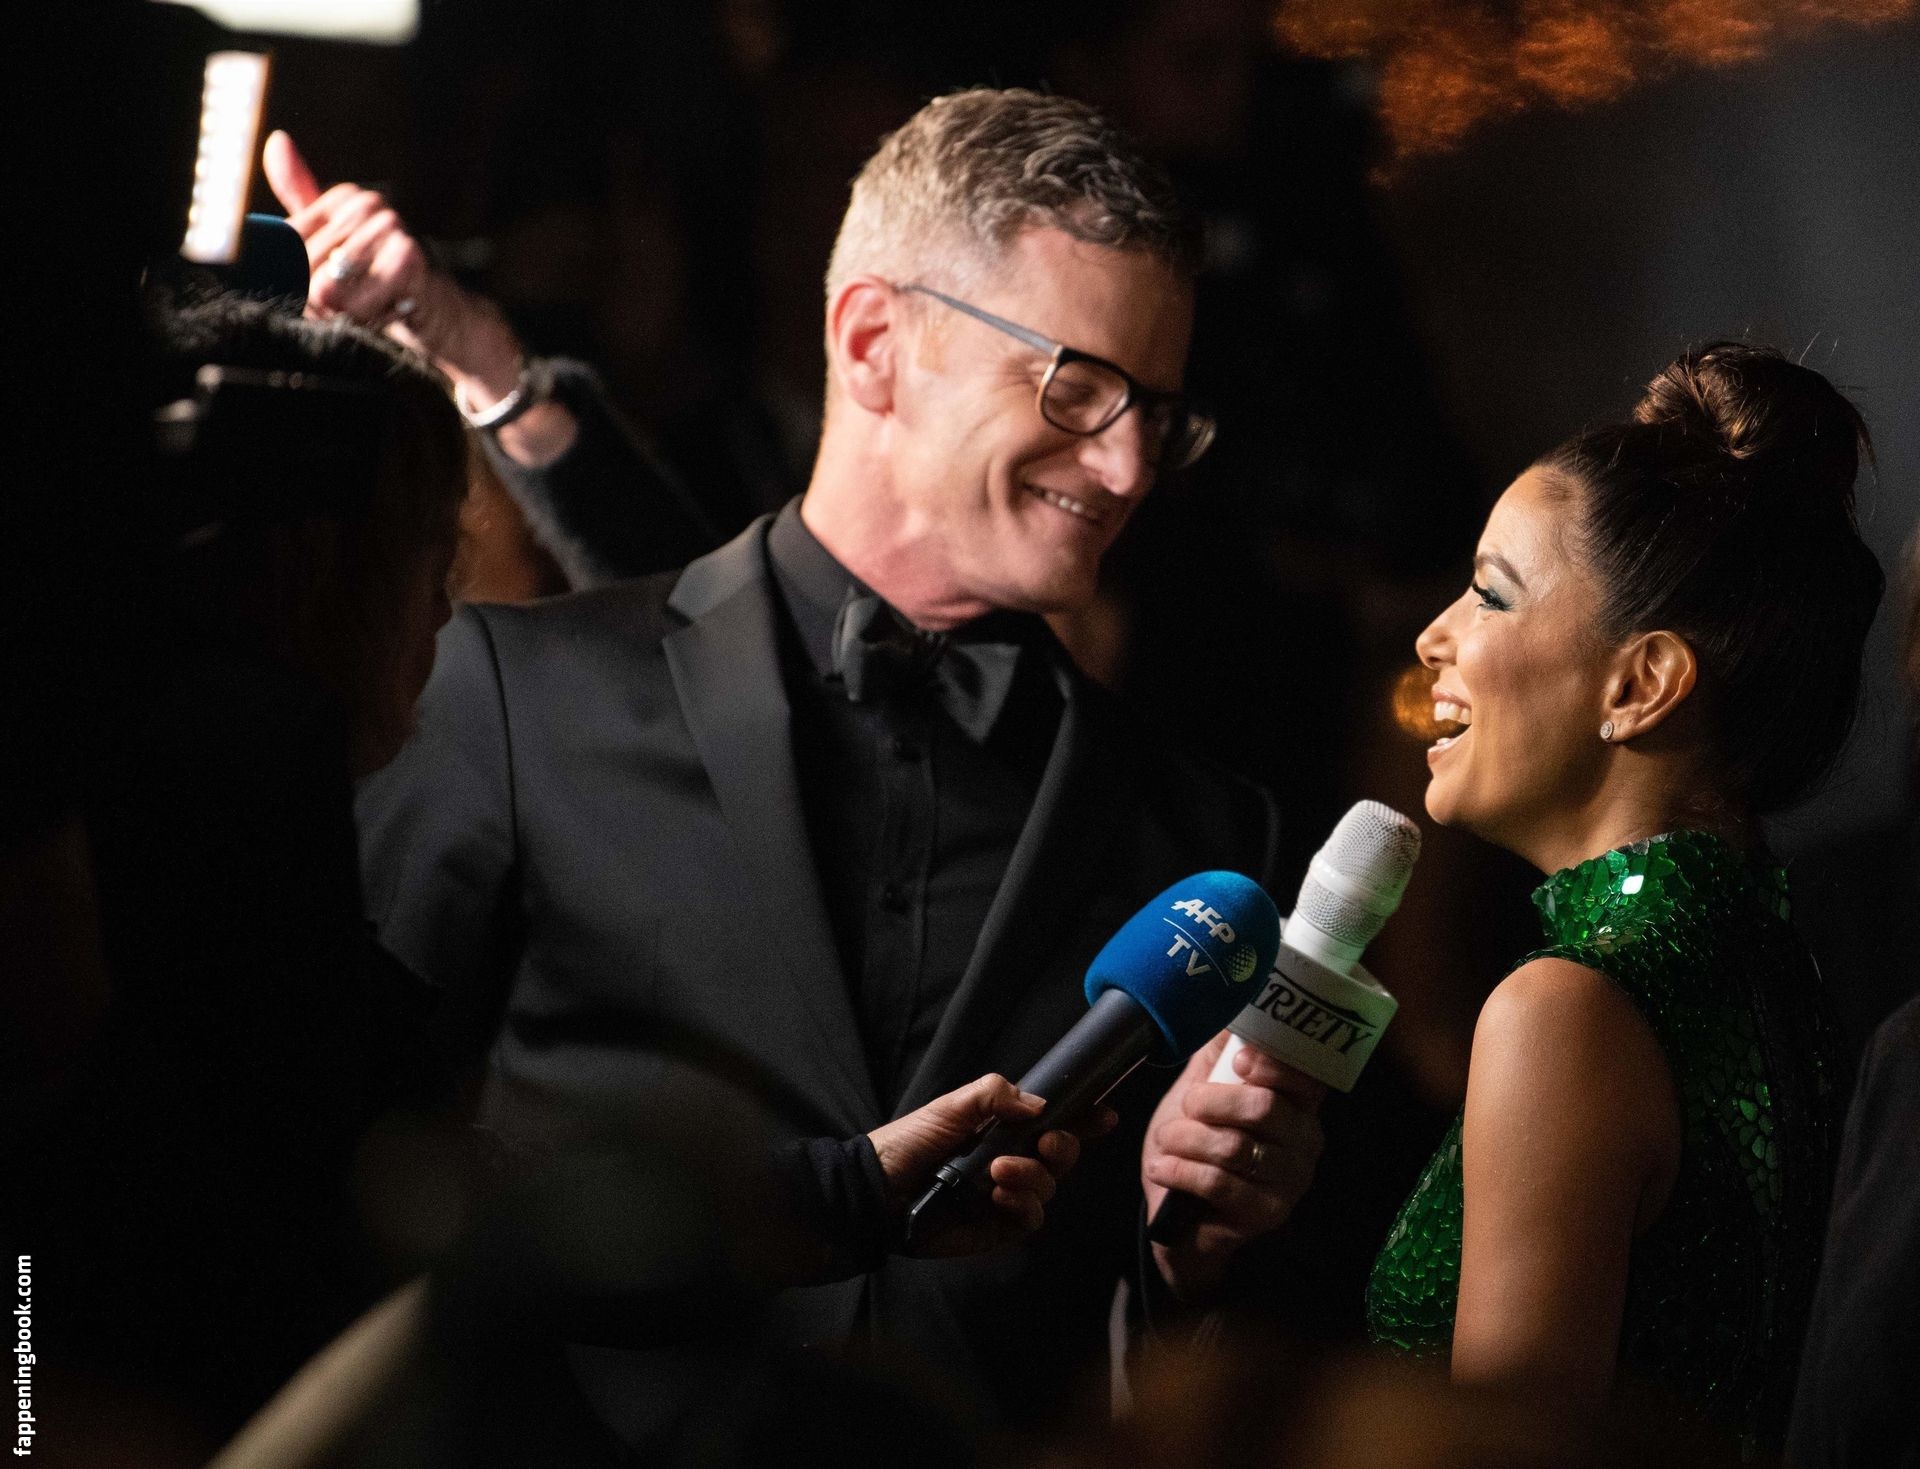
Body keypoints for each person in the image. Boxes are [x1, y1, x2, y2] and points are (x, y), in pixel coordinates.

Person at [346, 87, 1324, 1451]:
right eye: (1079, 387)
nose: (1125, 466)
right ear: (872, 345)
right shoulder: (517, 696)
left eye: (1156, 415)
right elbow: (347, 1159)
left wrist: (1193, 1262)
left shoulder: (1208, 837)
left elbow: (1200, 1345)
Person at [1364, 342, 1884, 1454]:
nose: (1433, 636)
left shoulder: (1567, 1010)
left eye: (1489, 593)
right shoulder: (1769, 959)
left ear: (1641, 682)